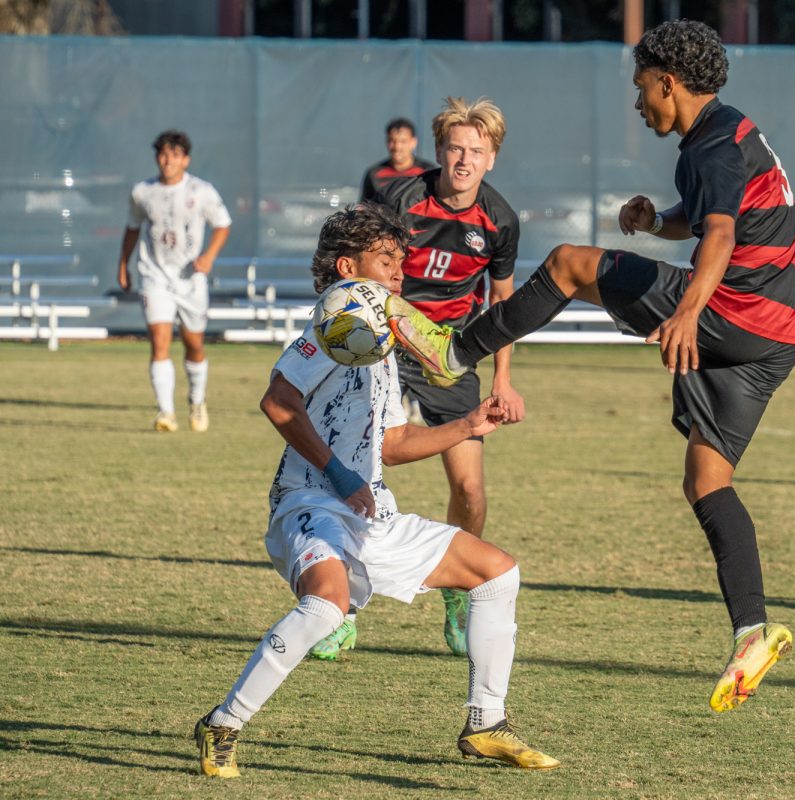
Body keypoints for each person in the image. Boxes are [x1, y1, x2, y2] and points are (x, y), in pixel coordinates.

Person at [389, 20, 795, 714]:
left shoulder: (711, 143)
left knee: (568, 264)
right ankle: (752, 631)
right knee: (707, 481)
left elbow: (725, 233)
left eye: (642, 88)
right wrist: (659, 219)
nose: (639, 103)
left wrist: (690, 312)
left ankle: (453, 348)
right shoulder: (733, 136)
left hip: (735, 309)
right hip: (779, 336)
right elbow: (711, 217)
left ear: (669, 82)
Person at [193, 203, 558, 779]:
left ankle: (486, 723)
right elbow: (278, 401)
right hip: (310, 503)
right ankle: (223, 723)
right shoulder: (334, 327)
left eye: (401, 261)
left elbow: (391, 440)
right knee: (326, 604)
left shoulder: (376, 341)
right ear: (346, 267)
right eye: (385, 260)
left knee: (496, 572)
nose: (398, 273)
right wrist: (339, 476)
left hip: (371, 513)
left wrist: (465, 426)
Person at [308, 98, 523, 662]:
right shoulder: (402, 198)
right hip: (384, 345)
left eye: (476, 151)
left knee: (470, 488)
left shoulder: (499, 221)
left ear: (492, 159)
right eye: (455, 147)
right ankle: (339, 607)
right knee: (355, 471)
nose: (463, 159)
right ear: (439, 149)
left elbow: (503, 305)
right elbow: (356, 259)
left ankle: (455, 593)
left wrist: (503, 377)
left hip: (448, 356)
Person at [117, 129, 231, 432]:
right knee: (159, 341)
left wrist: (208, 257)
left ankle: (196, 401)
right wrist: (123, 265)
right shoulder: (142, 191)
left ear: (185, 159)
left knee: (194, 344)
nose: (168, 161)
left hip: (190, 279)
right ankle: (165, 412)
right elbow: (131, 228)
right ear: (157, 157)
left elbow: (222, 225)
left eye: (174, 155)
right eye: (163, 154)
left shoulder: (201, 190)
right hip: (154, 275)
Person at [360, 117, 436, 204]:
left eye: (403, 141)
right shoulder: (374, 174)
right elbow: (364, 209)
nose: (397, 147)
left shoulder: (428, 171)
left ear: (413, 142)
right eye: (392, 141)